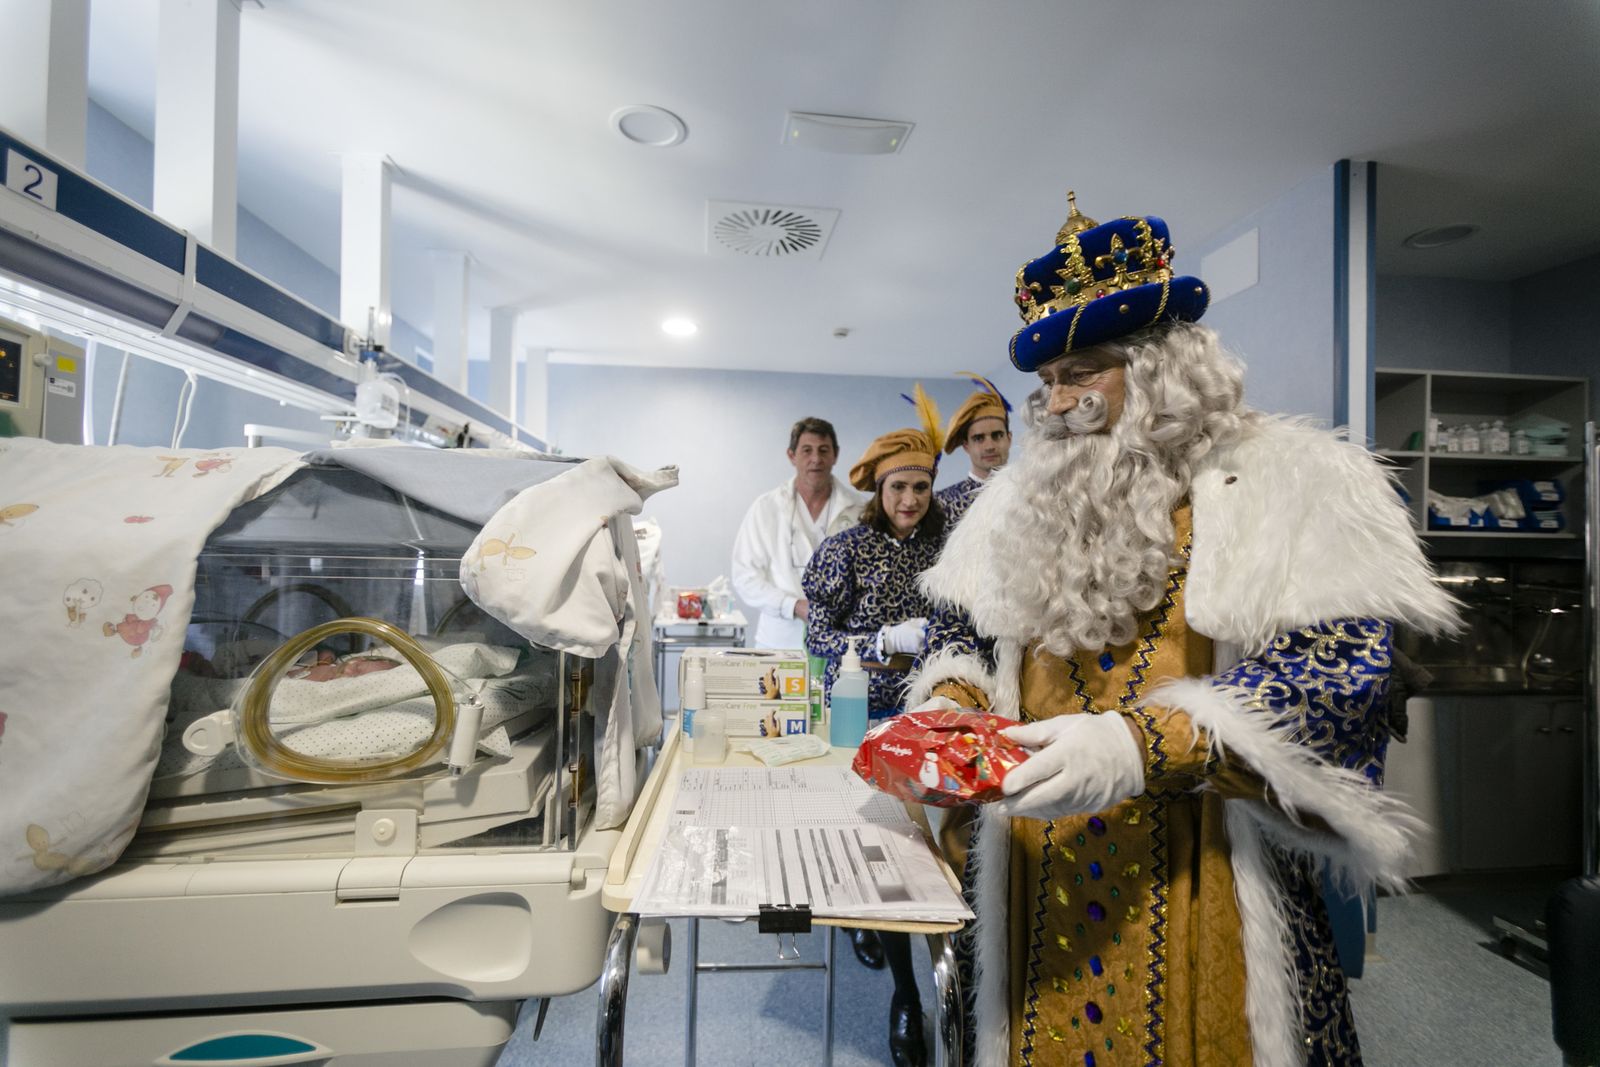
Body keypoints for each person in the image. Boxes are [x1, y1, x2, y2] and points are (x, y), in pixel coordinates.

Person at [906, 195, 1459, 1067]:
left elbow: (1342, 669)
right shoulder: (1010, 504)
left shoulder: (1290, 481)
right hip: (1035, 861)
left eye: (1083, 371)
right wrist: (948, 703)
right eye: (1047, 381)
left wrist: (1144, 744)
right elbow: (966, 630)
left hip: (1203, 867)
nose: (1058, 402)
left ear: (1158, 365)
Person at [802, 388, 948, 1067]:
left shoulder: (953, 547)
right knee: (882, 851)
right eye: (899, 487)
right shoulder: (845, 550)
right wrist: (880, 639)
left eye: (920, 485)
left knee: (942, 858)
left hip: (939, 712)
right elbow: (817, 632)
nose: (911, 499)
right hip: (865, 712)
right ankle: (907, 995)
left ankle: (956, 984)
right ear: (878, 488)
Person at [731, 417, 864, 648]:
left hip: (840, 640)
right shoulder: (766, 508)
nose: (816, 459)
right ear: (791, 455)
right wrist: (793, 605)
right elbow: (745, 577)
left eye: (824, 450)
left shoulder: (859, 510)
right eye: (807, 451)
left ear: (835, 455)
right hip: (779, 640)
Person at [935, 374, 1013, 525]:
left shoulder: (1029, 492)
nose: (989, 446)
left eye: (997, 435)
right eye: (978, 438)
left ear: (1009, 439)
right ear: (966, 446)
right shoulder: (942, 503)